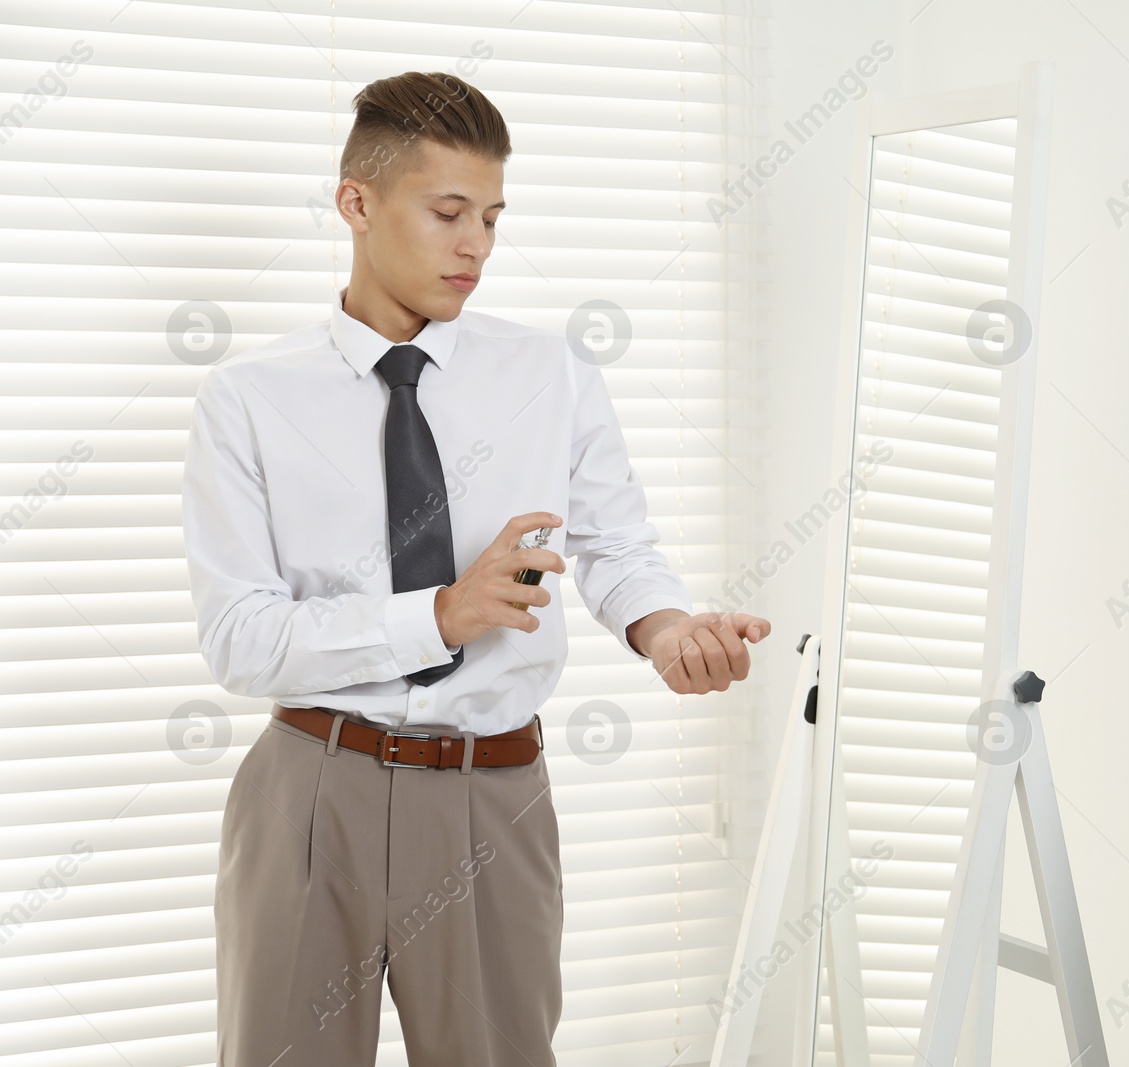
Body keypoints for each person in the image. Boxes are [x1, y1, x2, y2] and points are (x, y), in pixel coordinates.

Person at [181, 70, 769, 1067]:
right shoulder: (247, 398)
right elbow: (239, 637)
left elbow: (617, 547)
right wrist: (439, 613)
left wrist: (665, 628)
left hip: (490, 792)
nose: (476, 247)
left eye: (492, 216)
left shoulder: (549, 374)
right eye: (448, 212)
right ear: (356, 202)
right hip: (309, 793)